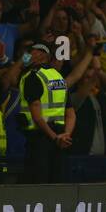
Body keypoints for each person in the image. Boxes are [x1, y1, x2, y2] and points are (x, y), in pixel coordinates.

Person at [17, 42, 73, 184]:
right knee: (56, 184)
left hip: (41, 137)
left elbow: (37, 117)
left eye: (32, 52)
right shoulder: (59, 77)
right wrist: (66, 135)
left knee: (38, 187)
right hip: (60, 139)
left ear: (43, 55)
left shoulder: (33, 77)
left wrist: (55, 138)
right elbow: (71, 113)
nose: (28, 55)